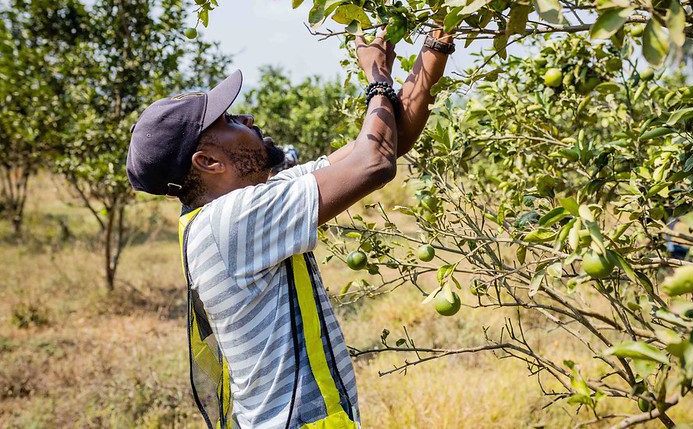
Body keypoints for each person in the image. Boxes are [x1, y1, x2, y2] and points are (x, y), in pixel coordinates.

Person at [125, 28, 454, 428]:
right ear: (208, 162)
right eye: (228, 120)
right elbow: (374, 164)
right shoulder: (233, 220)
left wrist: (435, 45)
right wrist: (376, 75)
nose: (246, 118)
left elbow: (387, 142)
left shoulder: (241, 205)